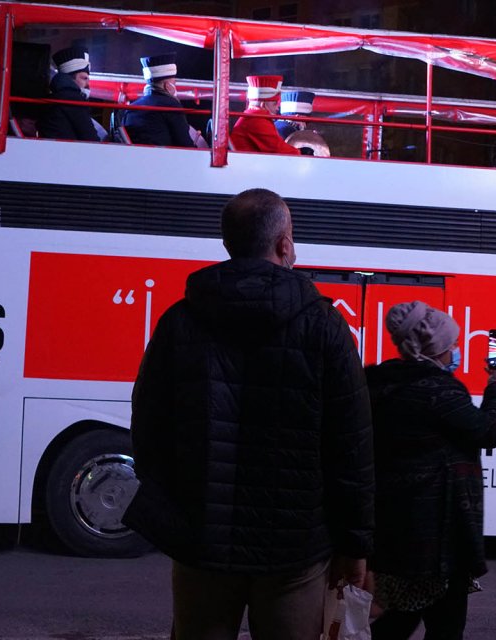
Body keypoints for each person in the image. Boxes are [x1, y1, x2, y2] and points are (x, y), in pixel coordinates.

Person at [125, 188, 374, 640]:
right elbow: (351, 446)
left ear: (228, 243)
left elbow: (148, 424)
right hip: (294, 549)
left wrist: (176, 508)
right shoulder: (324, 325)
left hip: (203, 538)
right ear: (283, 243)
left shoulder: (180, 320)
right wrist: (355, 544)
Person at [365, 301, 496, 640]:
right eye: (453, 343)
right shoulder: (438, 390)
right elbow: (488, 431)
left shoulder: (379, 383)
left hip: (395, 525)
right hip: (438, 531)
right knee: (444, 626)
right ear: (437, 347)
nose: (456, 349)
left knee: (397, 617)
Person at [122, 53, 197, 148]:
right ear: (167, 86)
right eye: (174, 83)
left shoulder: (131, 108)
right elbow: (184, 143)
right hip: (164, 156)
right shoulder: (171, 105)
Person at [230, 76, 307, 155]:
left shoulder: (252, 117)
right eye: (275, 104)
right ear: (263, 104)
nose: (277, 108)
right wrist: (300, 152)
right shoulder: (257, 120)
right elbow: (279, 150)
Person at [37, 46, 100, 142]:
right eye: (84, 78)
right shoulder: (73, 99)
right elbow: (90, 137)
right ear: (71, 79)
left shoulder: (57, 96)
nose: (88, 84)